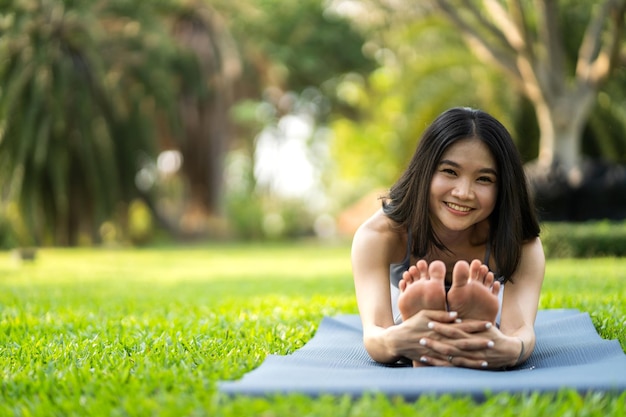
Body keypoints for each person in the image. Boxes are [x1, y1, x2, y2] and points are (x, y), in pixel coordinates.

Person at [351, 107, 545, 370]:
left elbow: (520, 329)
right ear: (425, 171)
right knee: (398, 324)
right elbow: (375, 332)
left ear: (504, 187)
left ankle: (463, 329)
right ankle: (422, 327)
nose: (464, 193)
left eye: (484, 179)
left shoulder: (519, 243)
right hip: (406, 312)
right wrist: (396, 339)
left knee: (497, 320)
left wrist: (510, 349)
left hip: (487, 309)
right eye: (450, 172)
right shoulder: (379, 235)